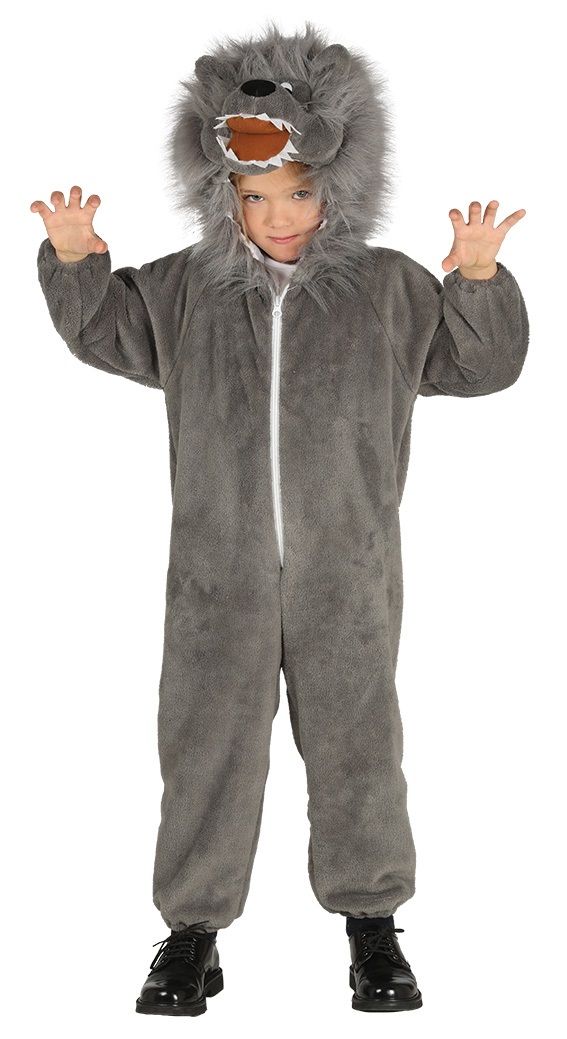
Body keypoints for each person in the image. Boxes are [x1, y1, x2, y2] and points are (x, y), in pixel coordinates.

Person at [30, 25, 529, 1017]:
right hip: (216, 577)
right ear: (223, 195)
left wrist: (474, 282)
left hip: (348, 575)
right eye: (254, 197)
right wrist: (78, 260)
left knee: (357, 744)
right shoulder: (185, 289)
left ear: (338, 187)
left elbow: (480, 367)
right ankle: (193, 931)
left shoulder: (388, 290)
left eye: (298, 193)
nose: (279, 216)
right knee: (205, 743)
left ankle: (372, 922)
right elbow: (106, 330)